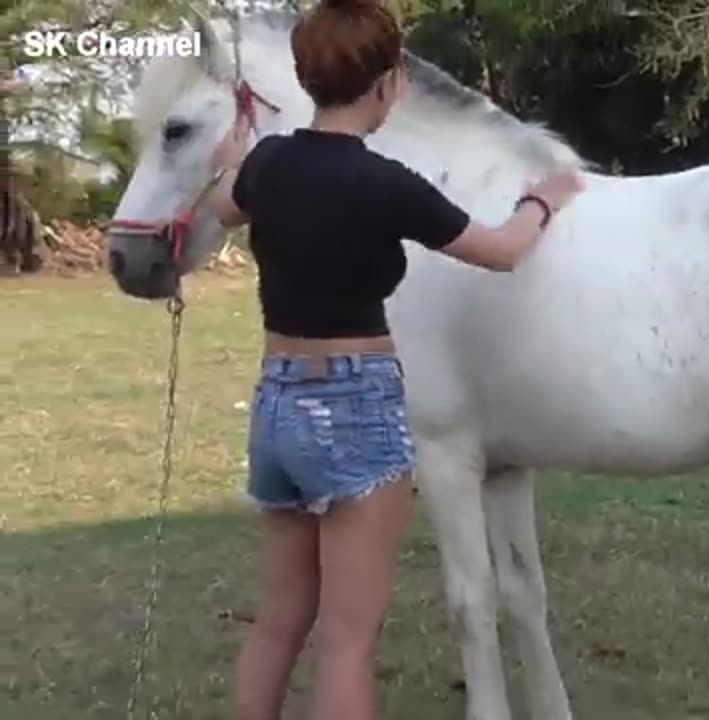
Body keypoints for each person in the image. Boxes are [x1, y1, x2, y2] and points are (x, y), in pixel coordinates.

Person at [203, 0, 584, 718]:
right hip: (355, 405)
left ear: (306, 76)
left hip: (278, 403)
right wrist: (542, 200)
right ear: (388, 84)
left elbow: (224, 203)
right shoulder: (387, 184)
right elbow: (501, 253)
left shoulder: (267, 165)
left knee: (281, 621)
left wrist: (233, 155)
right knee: (348, 639)